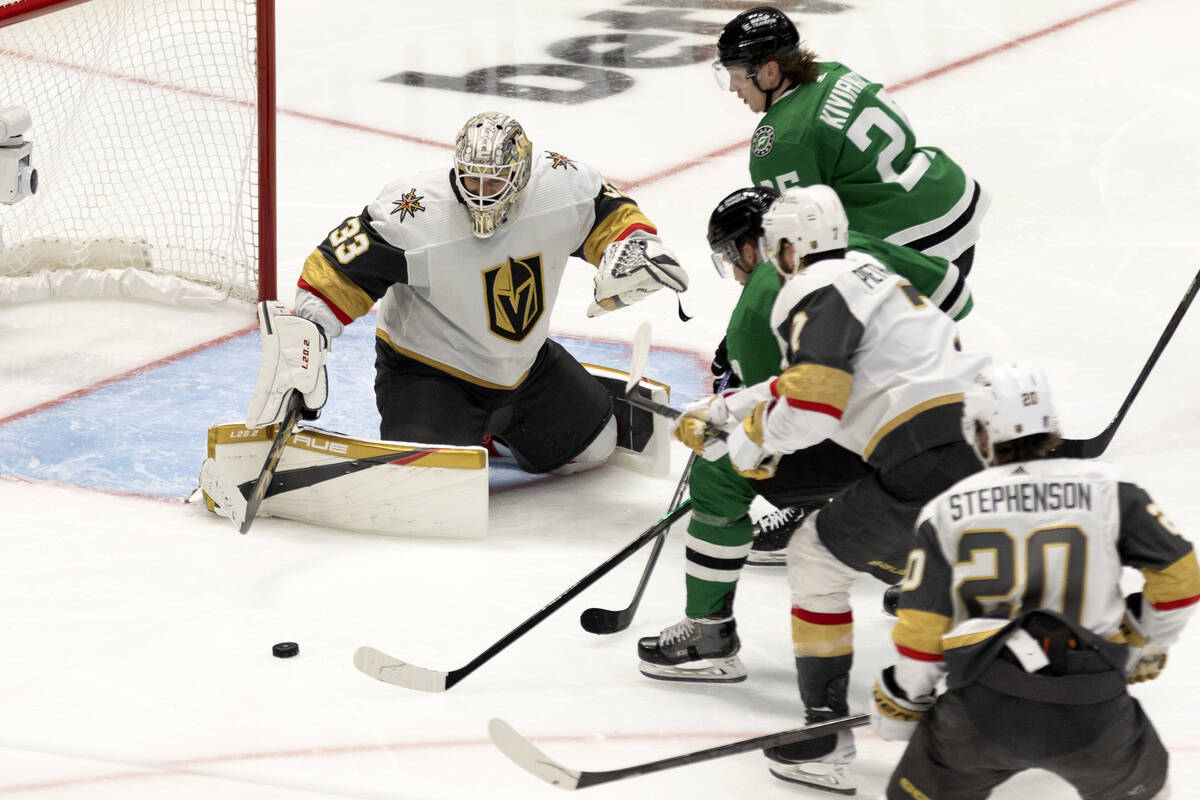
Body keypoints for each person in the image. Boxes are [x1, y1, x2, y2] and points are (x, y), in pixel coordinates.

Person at [665, 185, 988, 793]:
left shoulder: (807, 288)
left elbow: (812, 407)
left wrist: (743, 443)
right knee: (963, 577)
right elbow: (804, 382)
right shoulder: (869, 272)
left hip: (922, 451)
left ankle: (826, 731)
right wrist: (725, 408)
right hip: (985, 438)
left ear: (786, 246)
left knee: (814, 557)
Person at [242, 111, 689, 476]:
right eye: (470, 180)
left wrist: (634, 244)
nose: (479, 195)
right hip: (429, 374)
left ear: (522, 174)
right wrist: (309, 333)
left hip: (524, 367)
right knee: (428, 483)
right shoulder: (413, 212)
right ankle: (476, 426)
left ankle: (497, 428)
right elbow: (334, 274)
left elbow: (611, 218)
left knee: (595, 450)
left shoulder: (562, 186)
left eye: (493, 183)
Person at [873, 361, 1198, 800]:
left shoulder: (947, 510)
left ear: (980, 431)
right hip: (1093, 709)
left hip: (981, 710)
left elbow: (922, 631)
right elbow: (1181, 580)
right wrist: (1148, 642)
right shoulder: (1110, 489)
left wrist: (904, 701)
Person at [713, 5, 987, 288]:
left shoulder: (779, 140)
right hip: (946, 199)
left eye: (737, 76)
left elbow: (798, 246)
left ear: (770, 71)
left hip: (911, 244)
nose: (733, 88)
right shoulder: (832, 73)